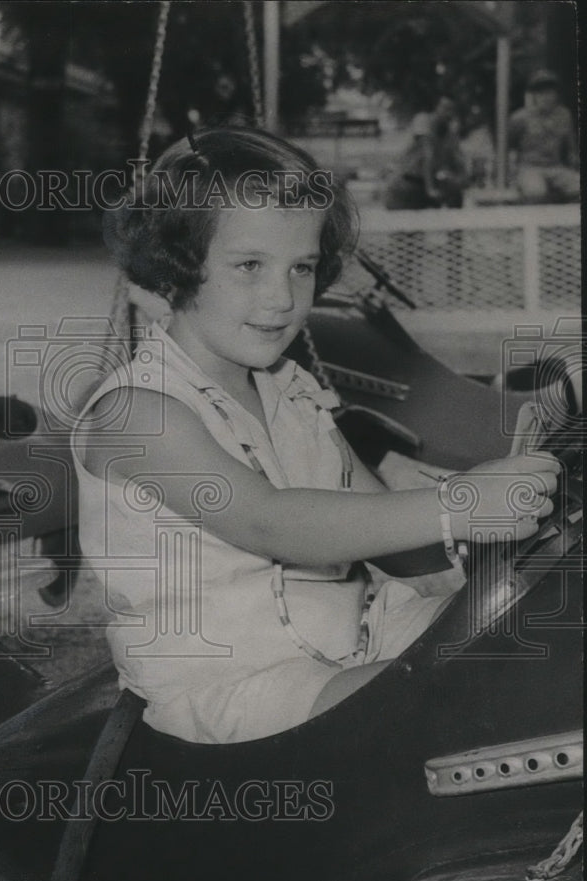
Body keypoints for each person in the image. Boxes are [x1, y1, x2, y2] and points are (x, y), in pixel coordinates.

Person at [74, 126, 560, 744]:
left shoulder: (288, 387)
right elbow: (272, 522)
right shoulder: (138, 413)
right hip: (235, 683)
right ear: (177, 263)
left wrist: (485, 566)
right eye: (249, 265)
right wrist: (457, 507)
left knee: (547, 640)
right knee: (485, 693)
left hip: (357, 635)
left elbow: (375, 519)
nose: (281, 298)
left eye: (300, 267)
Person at [507, 69, 580, 204]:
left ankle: (565, 224)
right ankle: (531, 223)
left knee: (578, 186)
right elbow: (509, 148)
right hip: (529, 168)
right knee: (536, 192)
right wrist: (512, 174)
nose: (546, 97)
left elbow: (571, 148)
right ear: (533, 95)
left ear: (556, 94)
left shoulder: (564, 116)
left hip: (555, 167)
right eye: (541, 93)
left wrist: (573, 167)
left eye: (550, 92)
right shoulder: (520, 118)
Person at [385, 97, 465, 209]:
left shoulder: (449, 134)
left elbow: (457, 162)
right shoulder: (423, 121)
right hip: (406, 182)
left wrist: (455, 179)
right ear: (436, 107)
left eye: (451, 109)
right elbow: (428, 156)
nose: (448, 113)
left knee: (453, 199)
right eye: (445, 108)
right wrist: (430, 189)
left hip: (424, 185)